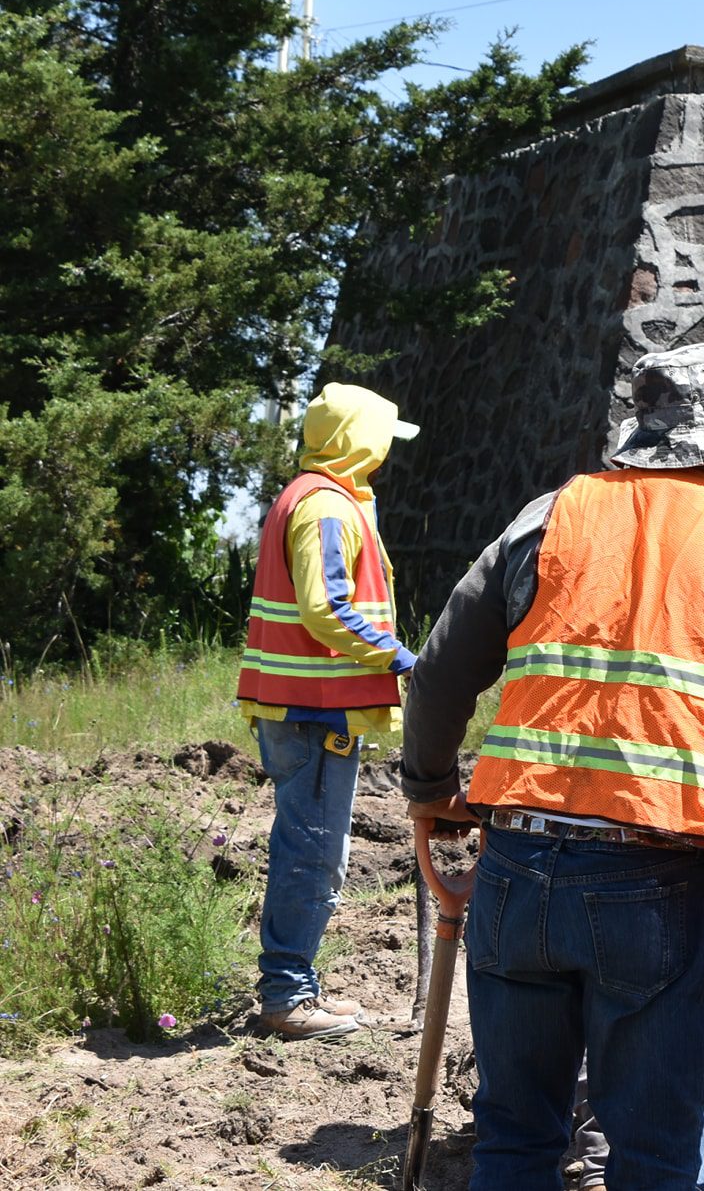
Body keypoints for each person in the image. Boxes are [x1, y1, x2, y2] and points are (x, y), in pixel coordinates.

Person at [400, 339, 704, 1191]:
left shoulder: (547, 518)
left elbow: (435, 676)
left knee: (513, 1140)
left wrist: (430, 797)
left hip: (514, 871)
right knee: (653, 1159)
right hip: (658, 887)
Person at [236, 383, 420, 1039]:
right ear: (357, 439)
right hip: (314, 712)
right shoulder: (328, 508)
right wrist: (401, 658)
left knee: (312, 848)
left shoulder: (308, 495)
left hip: (301, 707)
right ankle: (287, 995)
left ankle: (298, 984)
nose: (383, 457)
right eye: (379, 441)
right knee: (312, 854)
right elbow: (326, 607)